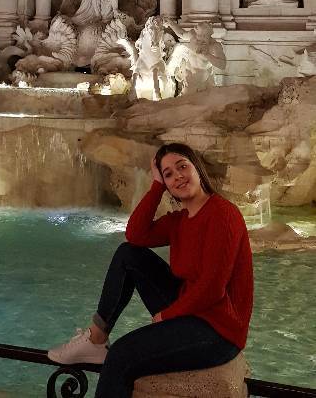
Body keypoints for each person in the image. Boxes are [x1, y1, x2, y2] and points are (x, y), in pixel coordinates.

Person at [48, 143, 253, 398]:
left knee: (122, 355)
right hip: (192, 311)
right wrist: (156, 186)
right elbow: (135, 234)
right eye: (168, 174)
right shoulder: (179, 221)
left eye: (182, 167)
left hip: (219, 330)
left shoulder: (223, 214)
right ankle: (96, 338)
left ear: (197, 169)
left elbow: (211, 289)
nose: (177, 176)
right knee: (128, 254)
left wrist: (166, 316)